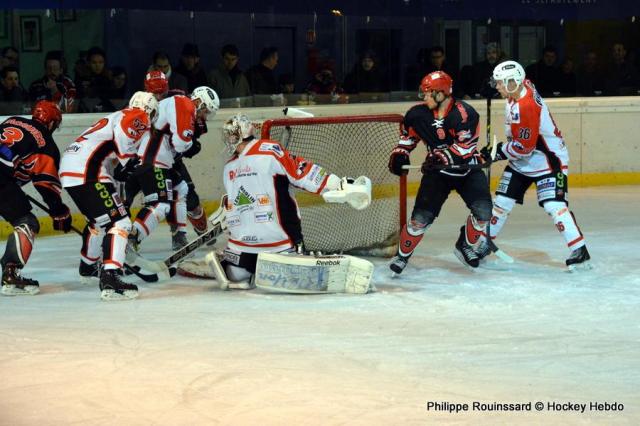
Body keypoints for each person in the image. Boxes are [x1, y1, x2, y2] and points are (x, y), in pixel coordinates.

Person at [215, 113, 365, 285]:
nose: (228, 138)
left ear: (242, 133)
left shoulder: (267, 151)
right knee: (237, 274)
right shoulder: (230, 165)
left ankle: (244, 265)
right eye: (227, 134)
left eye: (232, 134)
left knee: (236, 274)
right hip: (243, 247)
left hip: (276, 244)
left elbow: (303, 171)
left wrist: (338, 184)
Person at [478, 60, 590, 270]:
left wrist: (497, 152)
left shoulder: (526, 105)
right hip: (523, 162)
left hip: (549, 161)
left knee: (554, 206)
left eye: (502, 83)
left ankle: (580, 249)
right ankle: (484, 244)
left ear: (514, 82)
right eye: (498, 83)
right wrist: (495, 83)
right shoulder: (520, 87)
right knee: (501, 203)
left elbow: (525, 147)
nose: (499, 87)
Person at [387, 71, 492, 273]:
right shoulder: (417, 115)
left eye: (428, 93)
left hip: (467, 171)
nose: (423, 97)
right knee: (419, 220)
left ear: (441, 93)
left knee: (483, 214)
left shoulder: (464, 114)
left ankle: (465, 246)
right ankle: (402, 256)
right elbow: (407, 140)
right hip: (438, 174)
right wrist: (400, 154)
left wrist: (438, 158)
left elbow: (464, 149)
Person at [59, 92, 158, 300]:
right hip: (88, 171)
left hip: (71, 169)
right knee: (121, 223)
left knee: (100, 222)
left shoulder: (117, 116)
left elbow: (115, 167)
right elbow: (124, 159)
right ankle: (110, 277)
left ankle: (88, 267)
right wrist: (130, 163)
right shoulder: (138, 116)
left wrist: (122, 177)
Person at [129, 86, 219, 251]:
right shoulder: (184, 104)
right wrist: (191, 144)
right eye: (206, 111)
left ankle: (179, 235)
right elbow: (181, 143)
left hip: (156, 158)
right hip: (152, 158)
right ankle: (130, 240)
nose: (205, 116)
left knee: (181, 188)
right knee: (160, 204)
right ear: (199, 102)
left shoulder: (180, 103)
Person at [0, 100, 71, 296]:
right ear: (51, 123)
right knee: (26, 221)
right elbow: (45, 183)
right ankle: (11, 275)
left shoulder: (12, 120)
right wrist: (59, 211)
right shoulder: (44, 142)